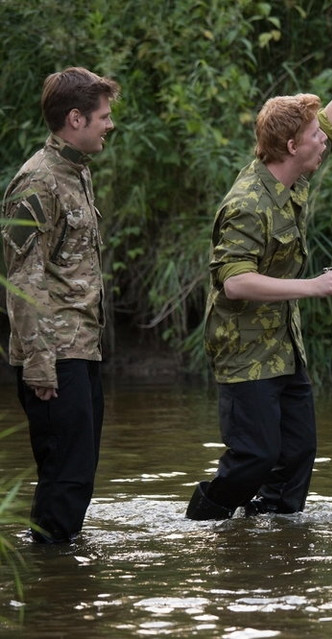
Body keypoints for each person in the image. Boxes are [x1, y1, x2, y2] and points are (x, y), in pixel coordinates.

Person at [185, 49, 332, 520]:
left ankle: (276, 545)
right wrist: (313, 286)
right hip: (244, 351)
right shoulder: (247, 203)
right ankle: (201, 528)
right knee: (254, 458)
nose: (324, 142)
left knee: (296, 455)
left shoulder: (294, 176)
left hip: (284, 345)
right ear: (292, 146)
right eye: (313, 137)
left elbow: (330, 125)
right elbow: (234, 283)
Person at [2, 67, 120, 543]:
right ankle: (48, 588)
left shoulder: (77, 172)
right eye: (103, 117)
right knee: (65, 478)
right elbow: (21, 283)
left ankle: (62, 588)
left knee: (79, 476)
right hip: (53, 357)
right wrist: (39, 365)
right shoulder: (36, 183)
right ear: (76, 118)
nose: (109, 125)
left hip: (81, 349)